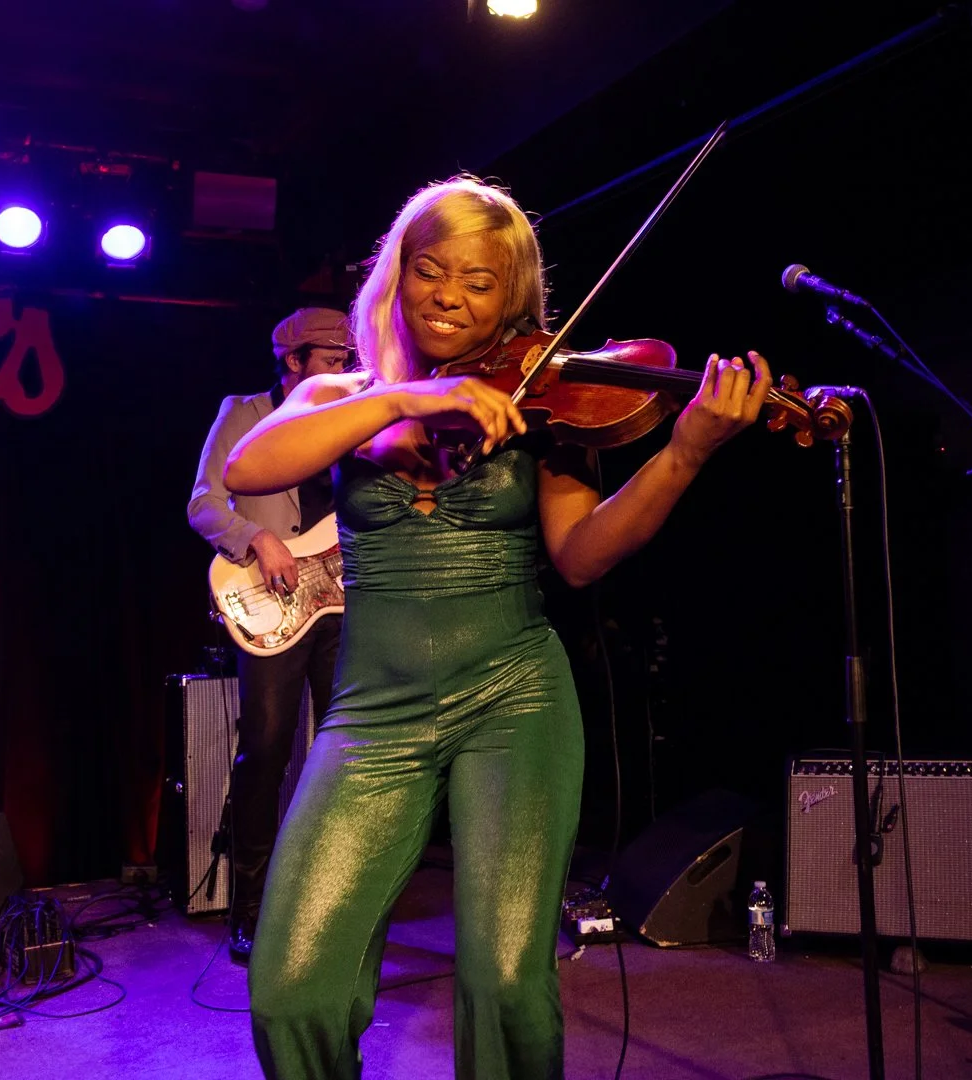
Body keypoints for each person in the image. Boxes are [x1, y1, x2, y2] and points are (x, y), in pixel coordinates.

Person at [225, 176, 773, 1079]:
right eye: (429, 271)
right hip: (374, 716)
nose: (449, 296)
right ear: (396, 278)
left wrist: (684, 452)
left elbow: (584, 557)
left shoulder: (544, 400)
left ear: (513, 299)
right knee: (292, 987)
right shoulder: (342, 395)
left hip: (513, 697)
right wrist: (404, 401)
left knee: (508, 981)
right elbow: (250, 468)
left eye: (479, 284)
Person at [188, 307, 351, 965]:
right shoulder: (246, 412)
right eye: (333, 360)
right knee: (266, 752)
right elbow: (203, 501)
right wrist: (255, 538)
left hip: (343, 600)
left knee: (346, 755)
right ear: (294, 361)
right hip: (274, 601)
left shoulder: (352, 415)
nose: (345, 370)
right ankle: (250, 912)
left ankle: (333, 906)